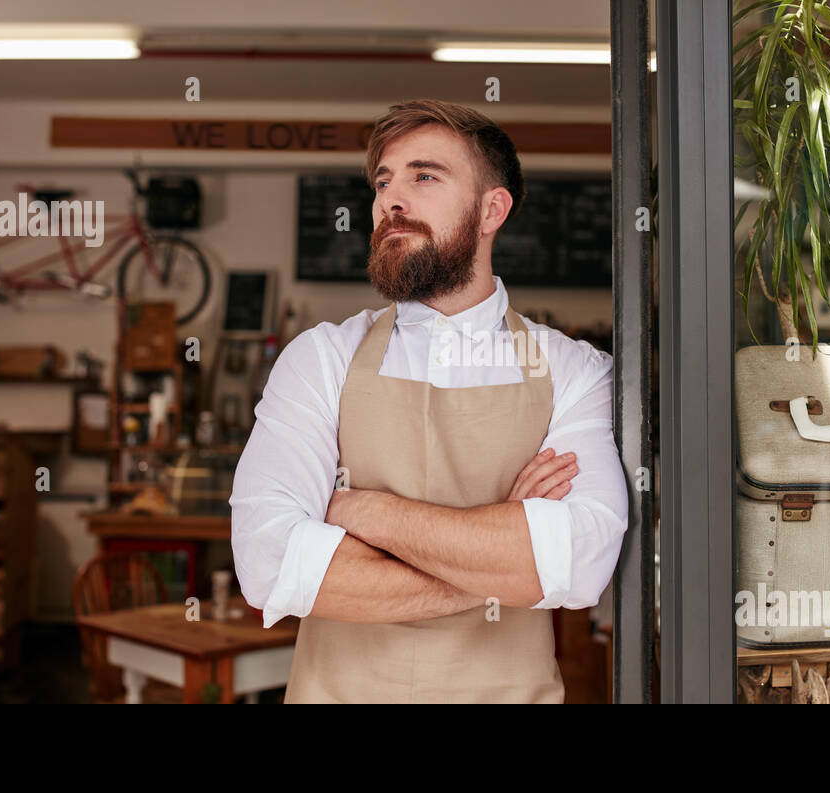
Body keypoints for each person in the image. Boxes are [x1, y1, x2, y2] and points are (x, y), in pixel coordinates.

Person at [230, 99, 629, 703]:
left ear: (492, 209)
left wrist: (365, 514)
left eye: (424, 176)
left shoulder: (575, 371)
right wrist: (504, 561)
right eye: (383, 181)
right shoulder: (321, 359)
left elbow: (581, 562)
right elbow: (269, 563)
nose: (391, 199)